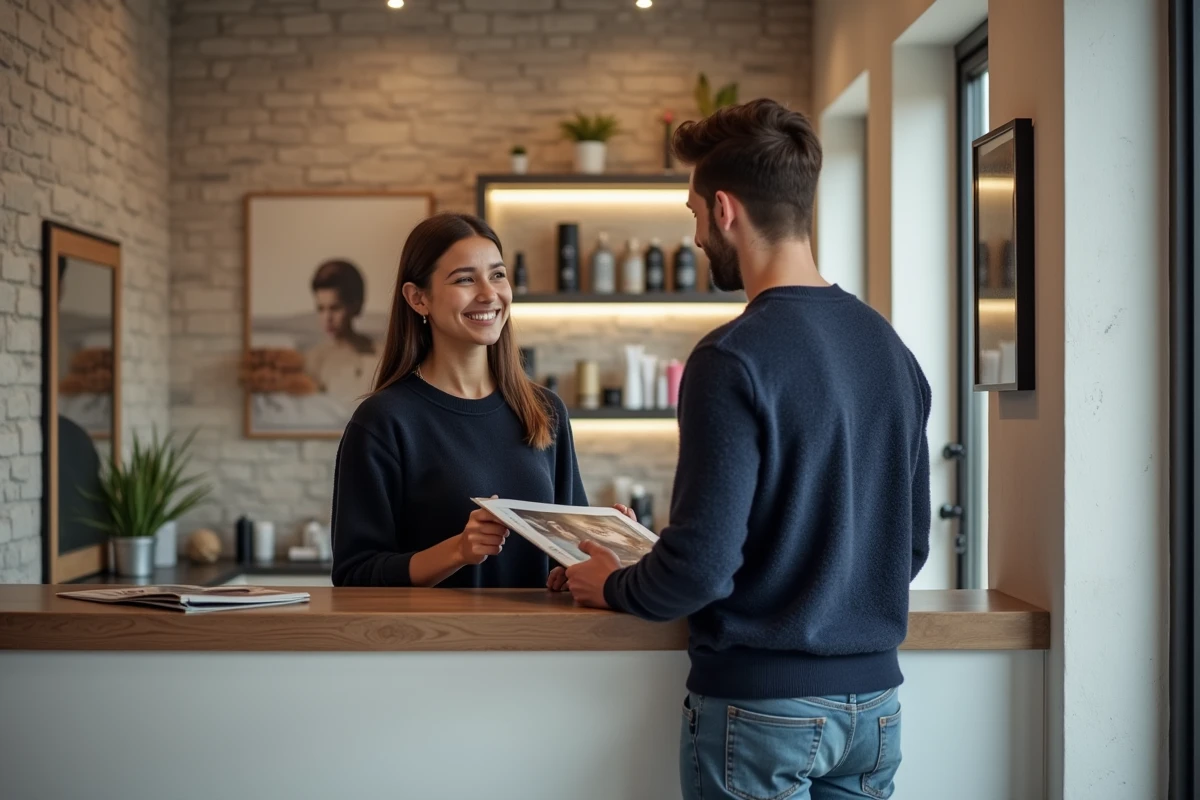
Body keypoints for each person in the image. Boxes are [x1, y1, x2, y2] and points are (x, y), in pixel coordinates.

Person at [565, 99, 932, 800]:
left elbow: (700, 570)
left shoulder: (732, 358)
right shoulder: (890, 349)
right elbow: (905, 546)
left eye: (695, 213)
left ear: (725, 210)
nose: (697, 233)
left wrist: (609, 583)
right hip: (877, 710)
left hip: (761, 713)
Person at [330, 213, 588, 588]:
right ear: (418, 299)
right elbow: (355, 575)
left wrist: (608, 541)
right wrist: (457, 551)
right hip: (437, 645)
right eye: (465, 279)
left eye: (497, 275)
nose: (488, 293)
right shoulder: (383, 422)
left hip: (540, 644)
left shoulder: (545, 411)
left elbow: (571, 557)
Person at [304, 258, 379, 408]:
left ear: (355, 306)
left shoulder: (380, 355)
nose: (327, 318)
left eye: (335, 308)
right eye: (321, 309)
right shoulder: (313, 361)